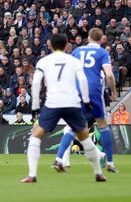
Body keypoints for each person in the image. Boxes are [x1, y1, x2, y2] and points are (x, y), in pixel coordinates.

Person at [21, 34, 105, 183]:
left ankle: (32, 175)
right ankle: (98, 173)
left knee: (36, 135)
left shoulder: (44, 61)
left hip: (53, 103)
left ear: (50, 46)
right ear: (66, 46)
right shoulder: (74, 60)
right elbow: (83, 79)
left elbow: (36, 83)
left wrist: (35, 106)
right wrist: (85, 101)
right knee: (84, 137)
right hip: (72, 102)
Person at [53, 28, 118, 173]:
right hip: (94, 91)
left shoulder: (77, 51)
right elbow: (109, 74)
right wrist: (113, 90)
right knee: (103, 124)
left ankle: (58, 159)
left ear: (88, 38)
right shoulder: (102, 53)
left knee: (71, 126)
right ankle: (110, 162)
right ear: (102, 39)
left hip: (77, 90)